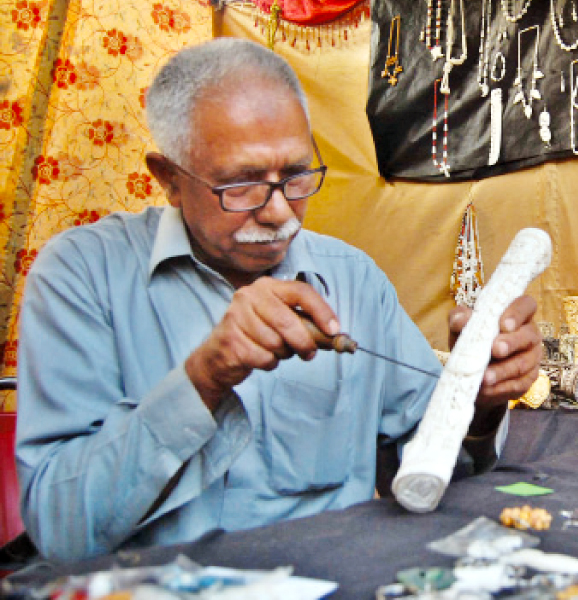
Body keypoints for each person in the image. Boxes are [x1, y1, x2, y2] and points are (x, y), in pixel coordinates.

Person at [15, 38, 543, 562]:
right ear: (169, 179)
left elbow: (432, 470)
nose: (277, 213)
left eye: (294, 176)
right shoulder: (81, 276)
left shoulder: (352, 280)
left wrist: (477, 402)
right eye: (241, 184)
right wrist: (205, 378)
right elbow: (61, 532)